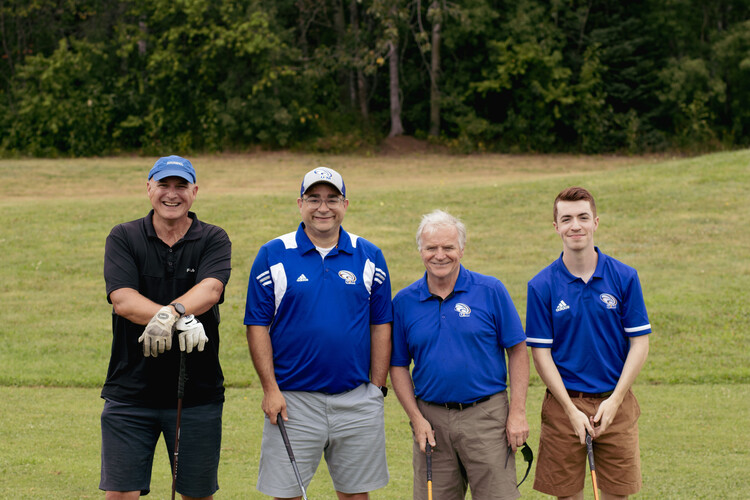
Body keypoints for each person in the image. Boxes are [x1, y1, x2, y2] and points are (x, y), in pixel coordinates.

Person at [244, 166, 392, 500]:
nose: (323, 208)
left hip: (355, 399)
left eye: (332, 199)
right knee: (286, 494)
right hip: (292, 401)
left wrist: (377, 388)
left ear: (345, 204)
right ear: (300, 203)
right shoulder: (273, 254)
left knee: (356, 495)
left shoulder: (369, 256)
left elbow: (381, 323)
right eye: (314, 199)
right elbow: (257, 326)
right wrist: (270, 390)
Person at [101, 155, 231, 500]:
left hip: (197, 394)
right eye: (163, 185)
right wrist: (177, 318)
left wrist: (170, 313)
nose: (171, 194)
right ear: (149, 189)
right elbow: (123, 300)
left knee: (196, 495)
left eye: (181, 186)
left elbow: (212, 289)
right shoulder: (124, 236)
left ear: (194, 191)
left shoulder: (213, 238)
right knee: (120, 494)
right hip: (130, 391)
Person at [390, 209, 530, 500]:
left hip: (486, 417)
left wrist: (516, 413)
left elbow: (517, 350)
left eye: (448, 247)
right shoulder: (404, 302)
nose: (440, 255)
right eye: (431, 248)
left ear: (462, 250)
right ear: (420, 251)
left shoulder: (490, 290)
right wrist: (416, 418)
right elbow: (399, 366)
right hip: (431, 422)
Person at [526, 186, 651, 500]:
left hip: (615, 401)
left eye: (583, 217)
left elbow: (639, 344)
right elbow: (541, 355)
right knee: (567, 495)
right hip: (563, 404)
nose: (575, 225)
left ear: (596, 222)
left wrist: (615, 400)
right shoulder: (541, 285)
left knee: (617, 494)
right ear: (556, 227)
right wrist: (569, 409)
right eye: (566, 219)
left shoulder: (624, 277)